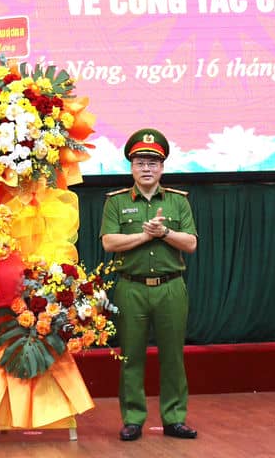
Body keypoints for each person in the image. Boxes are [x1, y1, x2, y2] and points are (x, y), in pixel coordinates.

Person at [100, 128, 199, 442]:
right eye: (140, 162)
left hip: (171, 288)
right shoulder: (116, 202)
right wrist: (145, 236)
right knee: (131, 356)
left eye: (152, 163)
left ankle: (174, 418)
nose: (146, 168)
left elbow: (191, 243)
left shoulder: (178, 202)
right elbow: (108, 242)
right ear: (131, 167)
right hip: (131, 288)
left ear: (162, 167)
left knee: (173, 357)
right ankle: (132, 419)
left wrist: (164, 233)